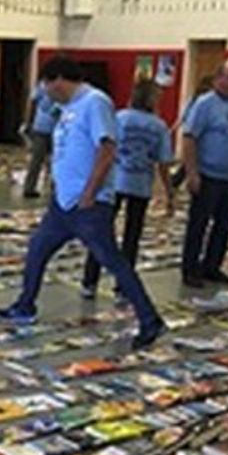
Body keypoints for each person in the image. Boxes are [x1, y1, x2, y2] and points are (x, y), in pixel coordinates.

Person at [0, 56, 167, 350]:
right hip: (63, 204)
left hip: (89, 205)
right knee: (37, 250)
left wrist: (90, 191)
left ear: (59, 80)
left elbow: (107, 148)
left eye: (47, 85)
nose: (45, 91)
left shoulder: (95, 102)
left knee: (113, 261)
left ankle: (150, 320)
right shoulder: (67, 108)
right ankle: (25, 306)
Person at [80, 80, 174, 299]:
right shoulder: (159, 126)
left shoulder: (119, 118)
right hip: (140, 186)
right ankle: (123, 287)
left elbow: (103, 148)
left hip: (114, 182)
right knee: (132, 237)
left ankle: (89, 281)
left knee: (101, 233)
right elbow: (163, 163)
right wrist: (169, 192)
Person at [180, 61, 228, 287]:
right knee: (199, 225)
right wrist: (192, 173)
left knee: (225, 225)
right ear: (218, 78)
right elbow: (189, 138)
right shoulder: (205, 104)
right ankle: (190, 269)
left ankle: (212, 265)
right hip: (209, 175)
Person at [170, 75, 214, 189]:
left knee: (191, 159)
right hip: (199, 133)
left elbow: (184, 114)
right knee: (195, 159)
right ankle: (178, 180)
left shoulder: (194, 98)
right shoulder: (206, 101)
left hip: (191, 130)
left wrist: (176, 126)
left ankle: (177, 180)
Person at [21, 78, 59, 198]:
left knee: (39, 160)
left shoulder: (41, 86)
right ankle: (52, 189)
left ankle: (31, 187)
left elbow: (32, 104)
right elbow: (32, 104)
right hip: (45, 128)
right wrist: (28, 123)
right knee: (49, 160)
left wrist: (28, 123)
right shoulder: (51, 87)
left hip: (46, 127)